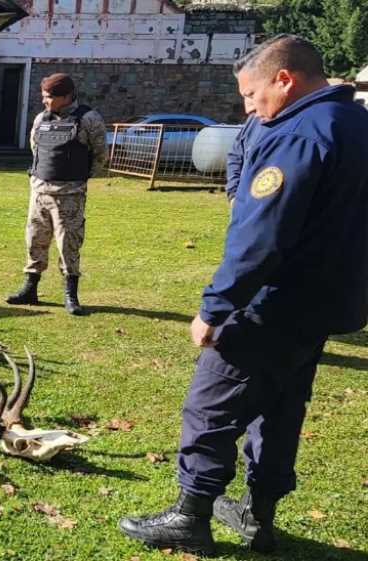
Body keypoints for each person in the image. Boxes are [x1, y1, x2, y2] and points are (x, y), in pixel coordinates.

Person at [118, 34, 368, 556]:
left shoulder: (299, 133)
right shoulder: (356, 125)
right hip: (324, 302)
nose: (249, 108)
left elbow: (263, 235)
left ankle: (191, 516)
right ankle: (259, 515)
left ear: (285, 79)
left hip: (274, 302)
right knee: (279, 407)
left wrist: (216, 306)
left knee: (212, 404)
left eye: (253, 95)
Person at [5, 73, 107, 315]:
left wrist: (79, 179)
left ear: (66, 96)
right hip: (40, 191)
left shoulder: (88, 119)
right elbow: (35, 147)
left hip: (70, 194)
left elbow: (101, 154)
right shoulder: (42, 118)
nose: (44, 101)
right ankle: (30, 289)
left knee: (68, 244)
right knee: (34, 239)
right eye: (43, 96)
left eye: (49, 97)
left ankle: (70, 295)